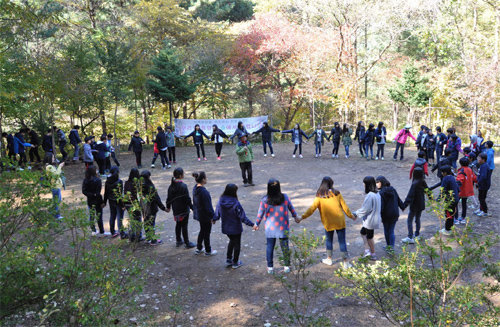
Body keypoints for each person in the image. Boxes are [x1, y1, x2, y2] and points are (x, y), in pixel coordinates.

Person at [298, 176, 355, 269]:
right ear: (331, 184)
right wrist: (351, 216)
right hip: (340, 221)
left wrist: (302, 217)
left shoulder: (319, 196)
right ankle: (346, 262)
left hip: (328, 222)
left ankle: (329, 259)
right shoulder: (337, 193)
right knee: (342, 241)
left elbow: (311, 209)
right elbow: (345, 207)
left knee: (329, 240)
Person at [254, 178, 298, 274]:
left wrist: (256, 223)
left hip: (270, 228)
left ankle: (270, 268)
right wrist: (296, 217)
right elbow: (291, 208)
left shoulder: (265, 200)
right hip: (283, 228)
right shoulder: (285, 197)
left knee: (270, 247)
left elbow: (260, 213)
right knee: (285, 247)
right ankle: (286, 266)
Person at [214, 184, 255, 269]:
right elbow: (242, 217)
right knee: (237, 244)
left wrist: (214, 219)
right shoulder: (236, 203)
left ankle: (229, 259)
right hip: (236, 228)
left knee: (232, 241)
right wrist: (252, 224)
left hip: (226, 228)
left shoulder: (221, 200)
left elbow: (217, 213)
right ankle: (235, 262)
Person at [166, 167, 195, 248]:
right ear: (180, 175)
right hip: (184, 209)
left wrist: (168, 207)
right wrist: (192, 208)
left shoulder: (171, 186)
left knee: (178, 224)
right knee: (184, 226)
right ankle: (187, 243)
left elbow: (168, 198)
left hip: (176, 209)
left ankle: (178, 240)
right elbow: (187, 199)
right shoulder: (183, 186)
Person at [354, 176, 381, 260]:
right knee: (363, 232)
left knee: (369, 237)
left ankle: (373, 253)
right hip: (373, 219)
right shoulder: (377, 193)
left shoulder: (370, 195)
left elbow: (366, 209)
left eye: (364, 183)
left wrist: (355, 214)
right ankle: (367, 250)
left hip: (370, 220)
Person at [376, 176, 404, 252]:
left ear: (381, 182)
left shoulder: (381, 193)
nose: (376, 184)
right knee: (391, 230)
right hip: (394, 213)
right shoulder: (393, 189)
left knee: (387, 230)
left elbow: (381, 206)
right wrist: (403, 206)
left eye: (378, 182)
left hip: (386, 215)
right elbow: (398, 199)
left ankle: (389, 246)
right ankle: (391, 247)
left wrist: (378, 215)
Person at [192, 171, 217, 256]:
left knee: (202, 230)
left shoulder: (195, 188)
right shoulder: (204, 192)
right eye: (206, 177)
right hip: (205, 216)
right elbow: (208, 207)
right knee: (206, 232)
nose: (206, 179)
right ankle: (208, 250)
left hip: (199, 214)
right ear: (203, 179)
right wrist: (213, 217)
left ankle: (199, 248)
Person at [402, 168, 429, 244]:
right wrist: (431, 198)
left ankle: (410, 236)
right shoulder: (422, 181)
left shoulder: (414, 183)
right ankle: (417, 234)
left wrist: (404, 205)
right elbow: (428, 190)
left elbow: (410, 196)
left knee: (410, 219)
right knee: (418, 219)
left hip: (414, 205)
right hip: (420, 204)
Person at [141, 170, 166, 245]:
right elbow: (156, 198)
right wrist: (163, 208)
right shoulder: (150, 186)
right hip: (151, 207)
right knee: (152, 223)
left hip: (144, 207)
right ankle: (153, 240)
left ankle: (148, 237)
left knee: (146, 222)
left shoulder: (140, 186)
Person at [82, 166, 107, 236]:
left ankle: (93, 230)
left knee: (92, 216)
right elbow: (98, 193)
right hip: (97, 201)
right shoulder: (98, 180)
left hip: (90, 200)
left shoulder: (85, 180)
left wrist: (91, 195)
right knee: (99, 216)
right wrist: (102, 202)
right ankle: (101, 231)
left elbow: (84, 191)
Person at [103, 166, 127, 239]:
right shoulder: (119, 181)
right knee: (120, 217)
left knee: (112, 216)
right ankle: (122, 233)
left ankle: (112, 231)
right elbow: (120, 194)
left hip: (111, 201)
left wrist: (104, 202)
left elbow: (106, 193)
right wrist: (123, 204)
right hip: (118, 202)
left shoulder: (107, 181)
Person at [455, 157, 477, 224]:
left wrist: (455, 187)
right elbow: (474, 178)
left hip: (461, 190)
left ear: (460, 163)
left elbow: (459, 180)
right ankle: (463, 217)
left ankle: (456, 218)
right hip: (467, 190)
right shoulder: (470, 169)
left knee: (455, 204)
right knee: (464, 204)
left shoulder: (462, 171)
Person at [123, 168, 143, 242]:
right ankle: (138, 236)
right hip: (135, 204)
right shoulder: (137, 184)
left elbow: (125, 193)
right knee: (138, 219)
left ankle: (132, 236)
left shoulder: (127, 183)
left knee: (132, 220)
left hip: (128, 204)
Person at [439, 166, 459, 235]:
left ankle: (448, 230)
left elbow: (443, 189)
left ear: (444, 172)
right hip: (455, 198)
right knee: (452, 214)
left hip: (449, 200)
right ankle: (451, 227)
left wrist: (438, 199)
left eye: (442, 172)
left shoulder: (445, 178)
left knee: (448, 214)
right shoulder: (452, 177)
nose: (441, 173)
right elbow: (457, 187)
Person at [474, 153, 491, 217]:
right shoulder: (482, 165)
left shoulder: (484, 166)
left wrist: (478, 183)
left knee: (482, 198)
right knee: (480, 197)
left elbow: (483, 177)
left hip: (484, 185)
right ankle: (481, 209)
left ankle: (485, 211)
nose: (478, 159)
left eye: (479, 158)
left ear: (483, 159)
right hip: (482, 185)